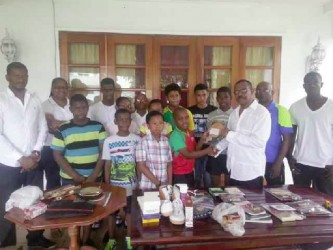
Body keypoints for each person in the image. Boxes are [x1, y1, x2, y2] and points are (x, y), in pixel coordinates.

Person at [0, 62, 54, 248]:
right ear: (7, 77)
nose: (21, 79)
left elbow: (42, 127)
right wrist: (21, 158)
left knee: (35, 201)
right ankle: (6, 242)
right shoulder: (1, 99)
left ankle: (35, 239)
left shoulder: (34, 99)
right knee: (6, 204)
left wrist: (36, 151)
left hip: (34, 160)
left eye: (24, 75)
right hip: (8, 163)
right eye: (16, 75)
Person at [217, 79, 271, 188]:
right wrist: (217, 148)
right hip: (233, 169)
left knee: (251, 205)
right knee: (235, 204)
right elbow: (228, 137)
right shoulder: (234, 113)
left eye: (243, 91)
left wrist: (229, 134)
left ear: (252, 91)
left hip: (251, 173)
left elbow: (258, 142)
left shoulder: (262, 113)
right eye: (236, 92)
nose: (239, 94)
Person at [288, 72, 333, 195]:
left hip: (326, 164)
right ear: (304, 86)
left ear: (321, 84)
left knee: (326, 203)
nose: (311, 85)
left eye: (315, 82)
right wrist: (290, 158)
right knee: (300, 200)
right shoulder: (295, 107)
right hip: (301, 162)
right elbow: (291, 135)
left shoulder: (331, 107)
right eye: (308, 83)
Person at [103, 108, 140, 250]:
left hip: (132, 185)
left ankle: (129, 238)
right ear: (115, 121)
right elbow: (107, 163)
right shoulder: (109, 141)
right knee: (112, 213)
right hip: (114, 187)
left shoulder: (136, 140)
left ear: (131, 121)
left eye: (127, 119)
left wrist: (139, 181)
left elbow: (138, 163)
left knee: (130, 212)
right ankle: (111, 239)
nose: (124, 122)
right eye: (121, 119)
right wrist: (107, 184)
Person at [256, 81, 293, 185]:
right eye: (258, 90)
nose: (261, 93)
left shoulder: (281, 111)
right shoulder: (252, 110)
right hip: (254, 161)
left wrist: (278, 163)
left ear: (272, 92)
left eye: (265, 90)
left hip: (273, 161)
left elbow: (286, 139)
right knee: (253, 195)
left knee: (274, 196)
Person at [169, 107, 215, 188]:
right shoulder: (175, 135)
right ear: (174, 121)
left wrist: (202, 139)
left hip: (190, 171)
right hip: (179, 174)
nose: (185, 121)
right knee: (181, 197)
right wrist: (207, 150)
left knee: (189, 196)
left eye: (186, 118)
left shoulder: (189, 132)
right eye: (180, 119)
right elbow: (188, 154)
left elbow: (195, 149)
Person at [40, 77, 72, 190]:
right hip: (50, 148)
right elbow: (50, 128)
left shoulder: (72, 104)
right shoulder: (44, 106)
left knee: (70, 179)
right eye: (58, 87)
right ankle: (54, 206)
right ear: (52, 89)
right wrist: (70, 124)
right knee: (53, 181)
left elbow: (80, 123)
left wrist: (58, 123)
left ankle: (69, 205)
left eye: (64, 87)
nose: (61, 90)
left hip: (71, 148)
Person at [188, 83, 217, 188]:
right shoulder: (189, 111)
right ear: (195, 96)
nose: (201, 98)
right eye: (198, 95)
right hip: (194, 149)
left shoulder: (214, 110)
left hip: (209, 148)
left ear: (208, 95)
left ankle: (209, 200)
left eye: (204, 95)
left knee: (208, 179)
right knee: (196, 178)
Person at [136, 111, 173, 190]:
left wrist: (169, 184)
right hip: (148, 186)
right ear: (148, 126)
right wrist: (158, 183)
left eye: (160, 123)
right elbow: (141, 166)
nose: (158, 126)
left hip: (164, 185)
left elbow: (169, 164)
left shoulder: (166, 141)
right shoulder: (143, 142)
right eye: (154, 123)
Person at [206, 86, 233, 187]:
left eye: (226, 97)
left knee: (229, 184)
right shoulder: (212, 115)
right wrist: (214, 133)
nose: (223, 100)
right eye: (220, 98)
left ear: (231, 98)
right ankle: (215, 202)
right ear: (217, 99)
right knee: (214, 184)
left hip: (230, 153)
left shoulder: (235, 114)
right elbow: (209, 135)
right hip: (214, 153)